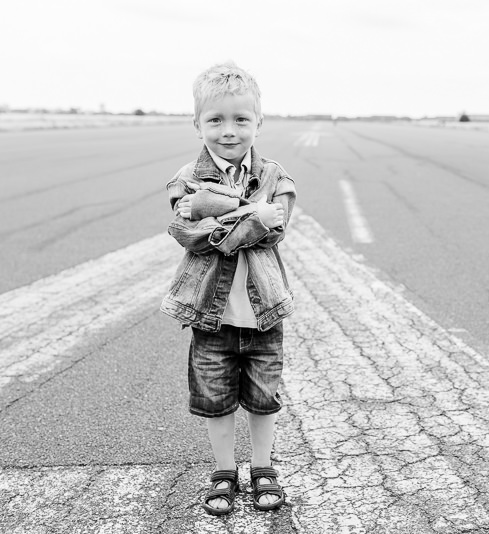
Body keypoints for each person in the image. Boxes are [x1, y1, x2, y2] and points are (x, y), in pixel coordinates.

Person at [160, 62, 296, 516]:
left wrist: (214, 213)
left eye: (241, 119)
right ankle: (224, 471)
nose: (228, 131)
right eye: (215, 119)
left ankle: (262, 469)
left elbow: (274, 230)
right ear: (197, 123)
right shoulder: (187, 175)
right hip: (210, 314)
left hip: (263, 312)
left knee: (263, 397)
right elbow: (184, 231)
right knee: (216, 399)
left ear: (259, 122)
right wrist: (249, 213)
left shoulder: (275, 175)